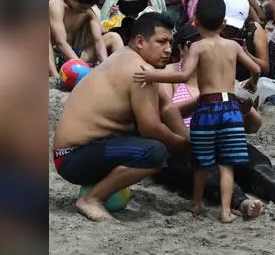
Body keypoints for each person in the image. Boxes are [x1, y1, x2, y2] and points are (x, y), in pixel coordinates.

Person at [154, 24, 275, 216]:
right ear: (182, 48)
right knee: (207, 169)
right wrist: (201, 101)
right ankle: (240, 203)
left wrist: (245, 109)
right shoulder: (167, 76)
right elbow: (164, 114)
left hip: (222, 138)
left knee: (254, 160)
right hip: (183, 145)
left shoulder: (221, 75)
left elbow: (255, 125)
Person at [134, 0, 263, 223]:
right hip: (231, 109)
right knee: (226, 164)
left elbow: (184, 75)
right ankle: (225, 212)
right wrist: (252, 83)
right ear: (223, 23)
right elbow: (257, 68)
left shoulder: (198, 47)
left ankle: (196, 205)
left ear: (195, 21)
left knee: (201, 161)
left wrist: (153, 74)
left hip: (206, 108)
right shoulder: (233, 46)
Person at [52, 12, 185, 222]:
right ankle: (92, 199)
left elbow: (167, 106)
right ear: (140, 41)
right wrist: (184, 146)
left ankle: (99, 191)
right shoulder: (140, 70)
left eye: (170, 42)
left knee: (159, 142)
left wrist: (186, 137)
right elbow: (151, 128)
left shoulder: (127, 56)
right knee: (155, 152)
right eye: (161, 42)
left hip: (76, 151)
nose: (168, 49)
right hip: (72, 157)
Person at [49, 0, 122, 71]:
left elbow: (98, 41)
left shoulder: (89, 10)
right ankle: (55, 77)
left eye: (87, 8)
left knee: (114, 37)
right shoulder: (56, 5)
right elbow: (60, 42)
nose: (84, 11)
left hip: (77, 55)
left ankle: (121, 72)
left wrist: (104, 66)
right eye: (82, 8)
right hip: (55, 57)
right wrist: (80, 66)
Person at [222, 0, 269, 91]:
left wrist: (246, 54)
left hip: (247, 82)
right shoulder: (215, 28)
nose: (230, 30)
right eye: (228, 26)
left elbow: (265, 68)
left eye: (235, 27)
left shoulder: (254, 30)